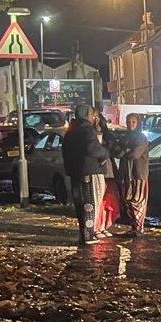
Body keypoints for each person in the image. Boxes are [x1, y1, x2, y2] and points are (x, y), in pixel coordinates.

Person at [62, 104, 109, 246]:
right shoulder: (86, 129)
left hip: (75, 171)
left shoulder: (71, 129)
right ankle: (88, 234)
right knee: (90, 203)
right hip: (89, 171)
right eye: (92, 114)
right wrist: (105, 152)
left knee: (80, 204)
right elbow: (93, 149)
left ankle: (84, 233)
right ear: (87, 114)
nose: (93, 117)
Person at [118, 113, 150, 236]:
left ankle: (139, 227)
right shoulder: (126, 137)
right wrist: (124, 151)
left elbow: (134, 154)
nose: (130, 124)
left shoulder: (141, 138)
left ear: (138, 123)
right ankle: (133, 226)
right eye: (128, 122)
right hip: (127, 175)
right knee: (128, 200)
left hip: (138, 175)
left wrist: (125, 151)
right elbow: (117, 151)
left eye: (133, 122)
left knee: (138, 201)